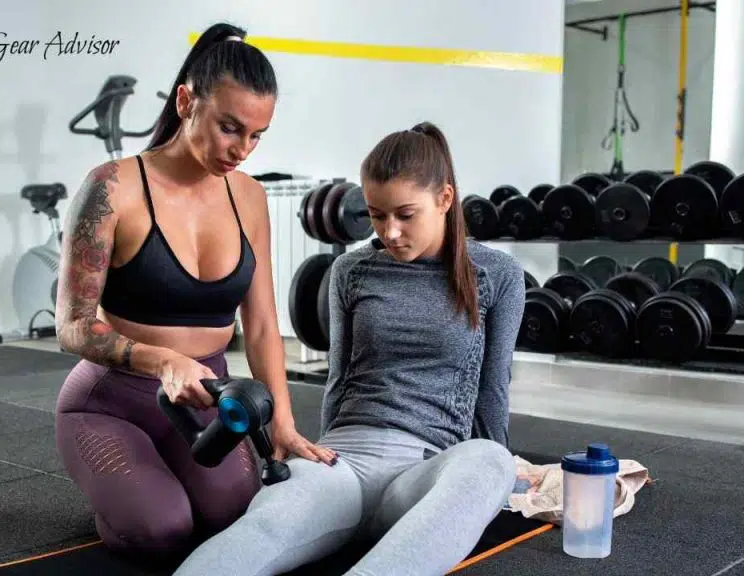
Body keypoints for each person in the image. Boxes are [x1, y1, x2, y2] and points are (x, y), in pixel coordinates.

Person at [172, 121, 526, 576]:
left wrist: (495, 492)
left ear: (444, 199)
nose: (390, 231)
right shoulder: (351, 270)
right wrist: (316, 464)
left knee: (492, 460)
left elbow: (494, 388)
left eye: (405, 214)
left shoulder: (496, 274)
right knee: (261, 532)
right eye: (377, 215)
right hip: (342, 463)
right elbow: (339, 379)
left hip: (425, 470)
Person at [52, 22, 337, 562]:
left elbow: (259, 323)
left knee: (231, 517)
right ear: (187, 101)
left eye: (257, 135)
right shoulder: (113, 187)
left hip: (210, 402)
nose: (243, 150)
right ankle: (119, 498)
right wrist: (162, 360)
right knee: (163, 529)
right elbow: (71, 323)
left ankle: (157, 480)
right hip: (111, 402)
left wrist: (282, 422)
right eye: (230, 128)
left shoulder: (249, 197)